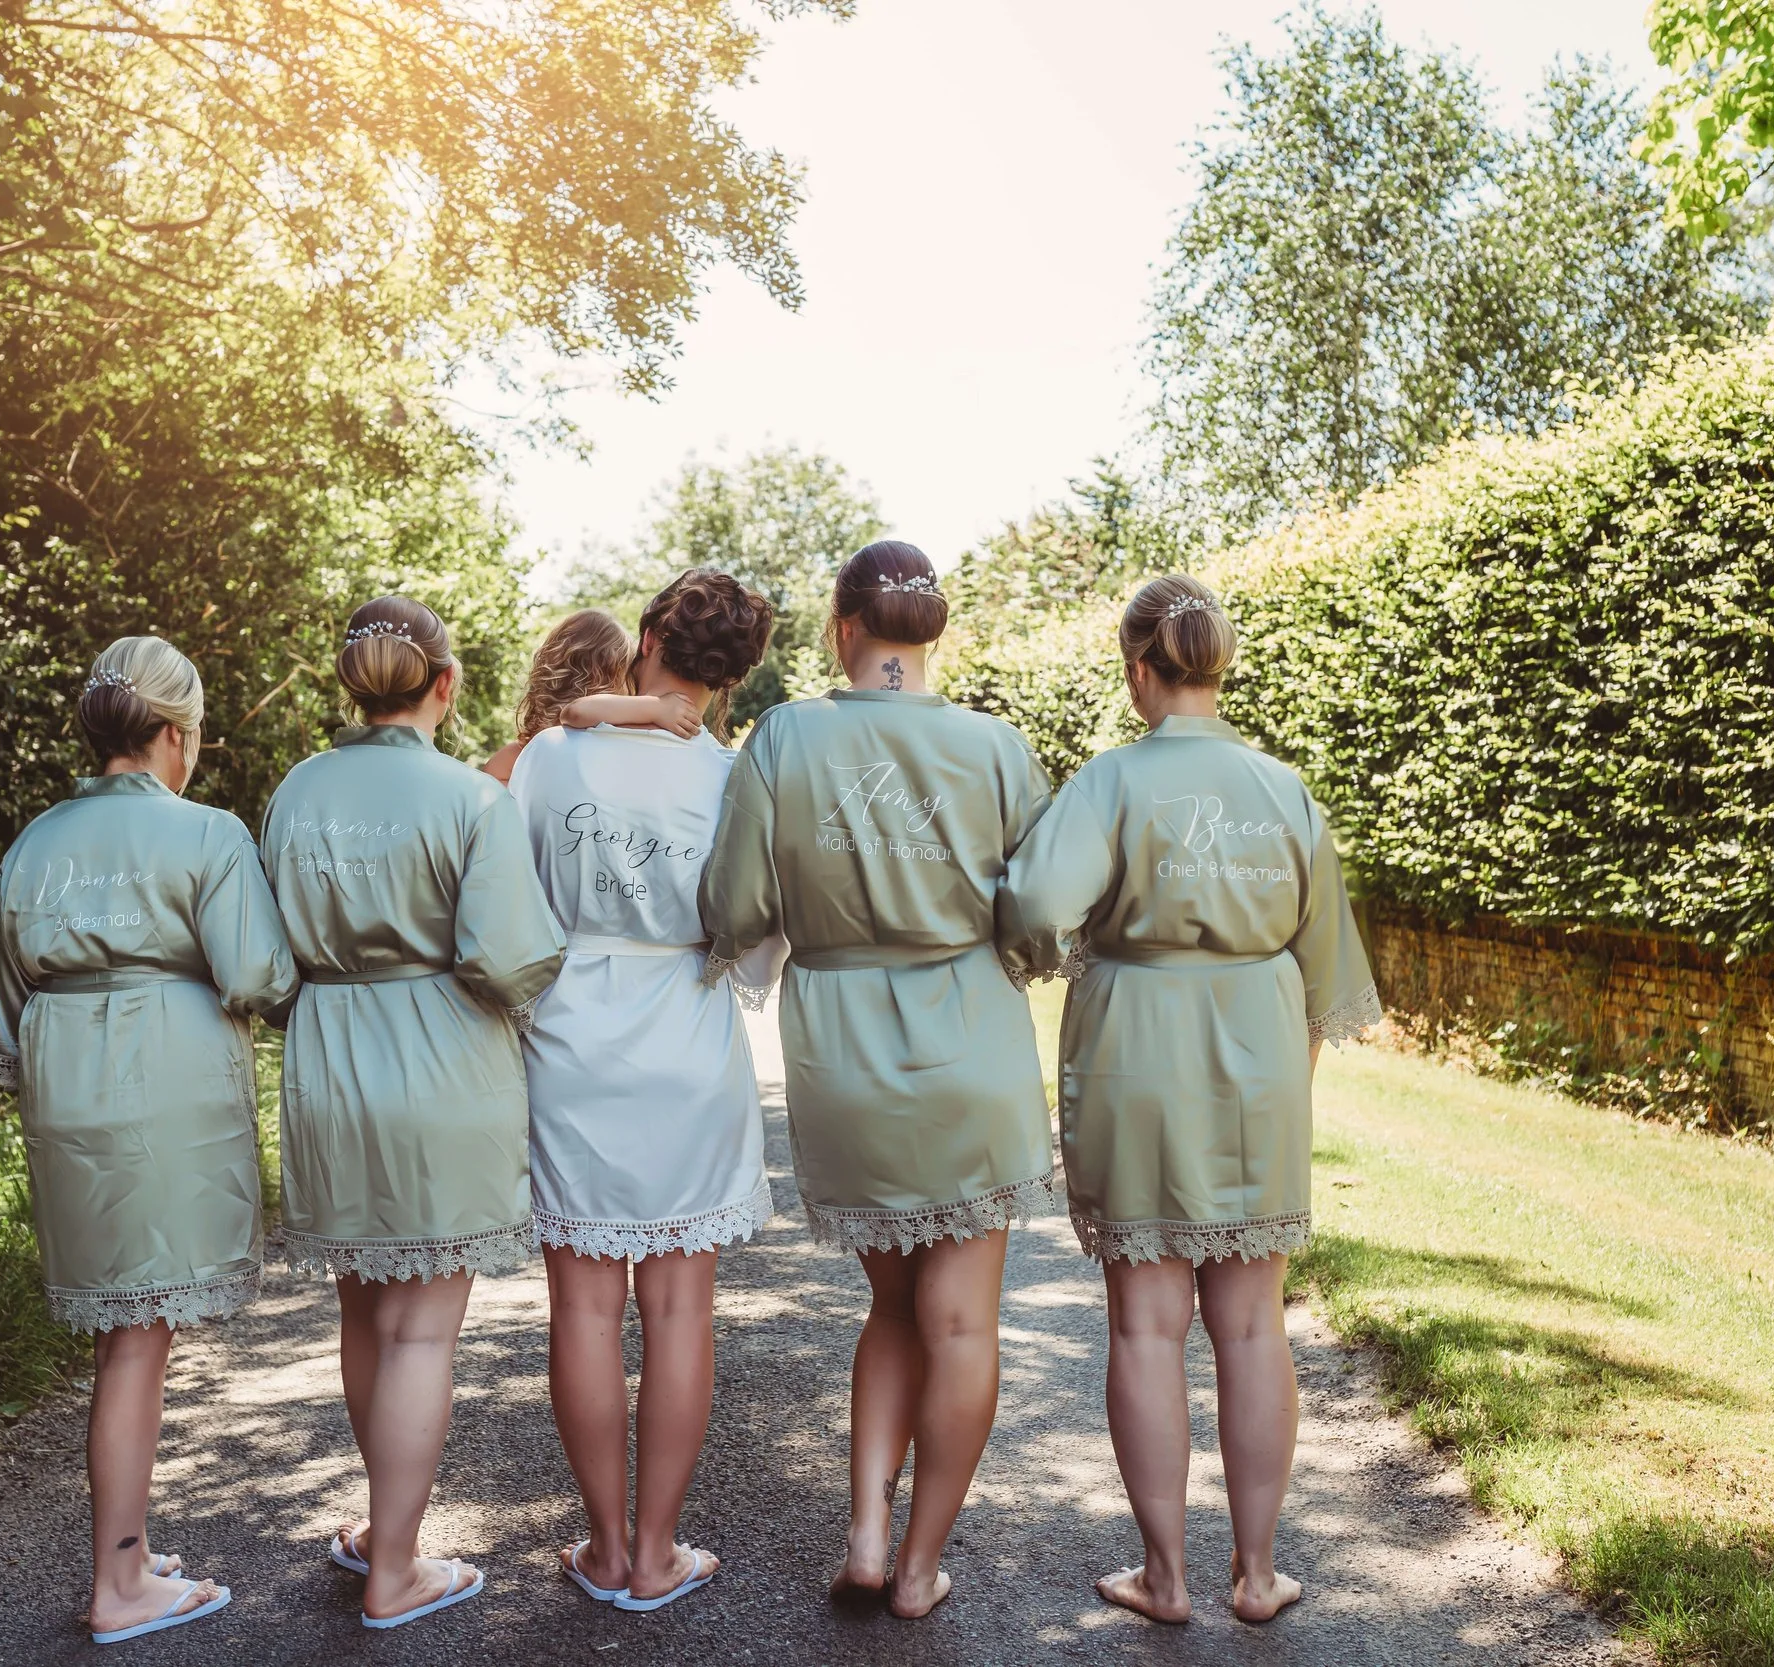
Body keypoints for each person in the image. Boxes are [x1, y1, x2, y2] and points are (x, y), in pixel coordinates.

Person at [998, 575, 1379, 1627]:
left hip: (1139, 1052)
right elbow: (1325, 961)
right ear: (1215, 664)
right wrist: (1287, 1083)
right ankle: (1256, 1574)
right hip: (1260, 1053)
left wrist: (1048, 952)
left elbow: (1032, 900)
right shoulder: (1284, 786)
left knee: (1146, 1325)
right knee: (1254, 1325)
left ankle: (1163, 1576)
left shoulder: (1112, 780)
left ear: (1138, 670)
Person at [699, 540, 1055, 1619]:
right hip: (969, 1039)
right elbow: (1037, 919)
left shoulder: (787, 733)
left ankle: (861, 1532)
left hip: (843, 1047)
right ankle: (917, 1563)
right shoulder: (996, 745)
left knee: (890, 1303)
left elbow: (733, 907)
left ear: (840, 630)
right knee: (962, 1322)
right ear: (933, 633)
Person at [0, 635, 297, 1647]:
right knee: (136, 1345)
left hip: (68, 1086)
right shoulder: (206, 835)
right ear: (169, 734)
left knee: (129, 1336)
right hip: (166, 1084)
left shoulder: (34, 840)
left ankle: (131, 1551)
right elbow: (257, 974)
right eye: (191, 734)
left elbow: (1, 1009)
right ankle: (118, 1585)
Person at [257, 597, 566, 1630]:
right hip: (438, 1052)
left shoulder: (294, 789)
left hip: (329, 1056)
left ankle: (380, 1530)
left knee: (362, 1307)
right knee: (424, 1332)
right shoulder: (469, 798)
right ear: (446, 682)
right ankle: (396, 1563)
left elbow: (265, 954)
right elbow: (508, 954)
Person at [507, 569, 785, 1613]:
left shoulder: (552, 754)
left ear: (649, 635)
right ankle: (659, 1549)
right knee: (679, 1310)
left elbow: (511, 891)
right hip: (685, 1030)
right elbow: (753, 929)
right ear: (737, 671)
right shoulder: (734, 778)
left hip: (571, 1031)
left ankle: (605, 1540)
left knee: (580, 1305)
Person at [480, 609, 705, 785]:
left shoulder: (515, 757)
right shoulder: (521, 756)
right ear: (611, 679)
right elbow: (579, 712)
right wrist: (657, 707)